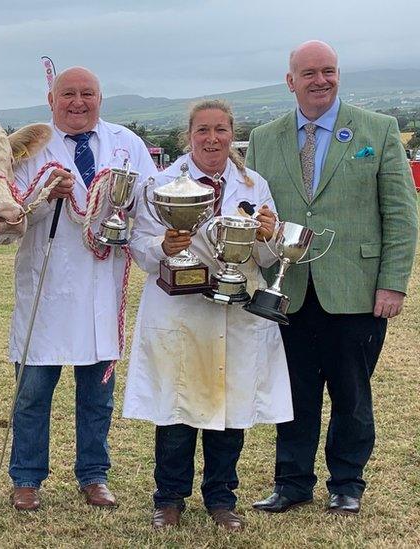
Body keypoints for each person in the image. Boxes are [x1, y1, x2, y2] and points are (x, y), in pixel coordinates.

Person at [247, 40, 418, 515]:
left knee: (352, 396)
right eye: (309, 73)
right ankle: (292, 483)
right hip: (288, 292)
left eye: (329, 71)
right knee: (294, 394)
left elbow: (402, 216)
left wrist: (393, 283)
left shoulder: (379, 130)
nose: (321, 80)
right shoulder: (264, 137)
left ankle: (347, 483)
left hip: (357, 291)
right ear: (290, 81)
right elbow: (257, 212)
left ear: (338, 75)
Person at [124, 99, 292, 531]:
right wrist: (164, 247)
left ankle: (221, 499)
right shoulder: (160, 183)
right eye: (203, 130)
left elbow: (266, 257)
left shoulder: (253, 185)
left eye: (220, 130)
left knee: (228, 408)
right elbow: (140, 242)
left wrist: (269, 235)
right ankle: (169, 499)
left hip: (236, 310)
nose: (212, 138)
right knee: (176, 408)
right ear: (189, 136)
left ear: (231, 133)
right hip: (181, 309)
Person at [7, 66, 156, 511]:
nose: (78, 102)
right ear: (50, 100)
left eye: (87, 94)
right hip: (47, 288)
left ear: (100, 97)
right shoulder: (29, 147)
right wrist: (41, 195)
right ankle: (27, 478)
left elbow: (149, 204)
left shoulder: (126, 144)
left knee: (97, 395)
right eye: (67, 94)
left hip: (101, 287)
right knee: (32, 393)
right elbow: (8, 216)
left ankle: (94, 475)